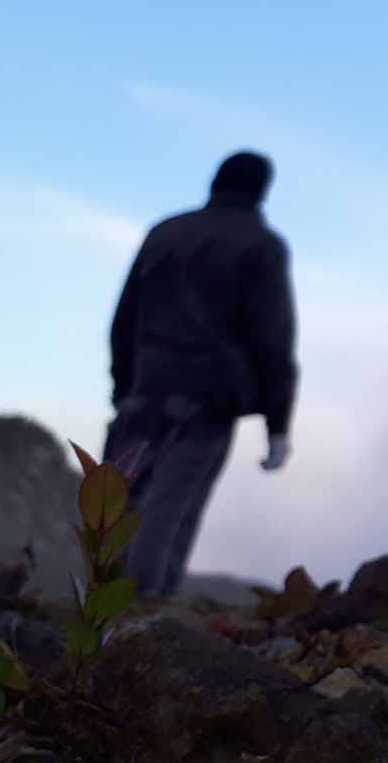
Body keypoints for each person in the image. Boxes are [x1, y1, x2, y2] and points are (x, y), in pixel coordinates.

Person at [103, 150, 298, 599]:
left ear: (215, 180)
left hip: (145, 390)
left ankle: (98, 613)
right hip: (209, 401)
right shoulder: (261, 245)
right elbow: (273, 340)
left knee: (116, 503)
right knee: (171, 508)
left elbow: (125, 316)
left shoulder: (164, 232)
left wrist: (122, 385)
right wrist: (278, 425)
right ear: (261, 191)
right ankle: (144, 618)